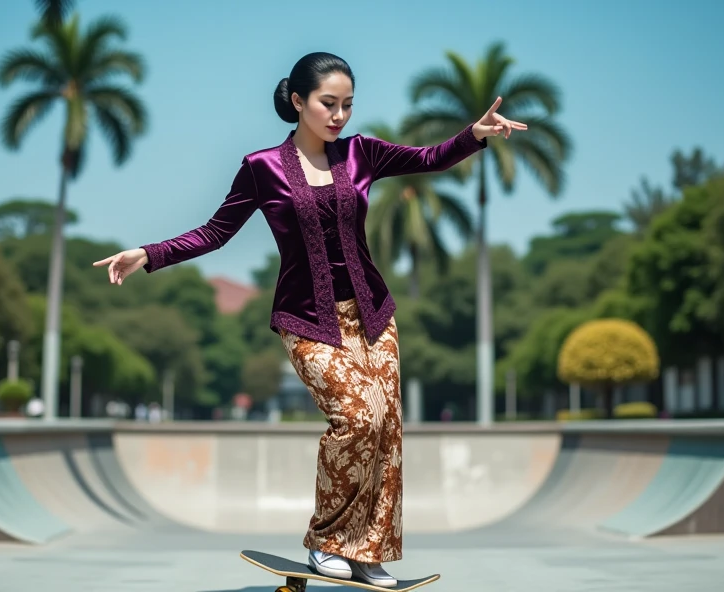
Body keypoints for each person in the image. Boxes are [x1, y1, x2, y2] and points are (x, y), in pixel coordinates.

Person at [93, 52, 526, 587]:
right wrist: (149, 253)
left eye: (347, 104)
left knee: (387, 429)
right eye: (328, 103)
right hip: (306, 319)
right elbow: (214, 232)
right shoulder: (261, 168)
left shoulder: (362, 153)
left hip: (373, 315)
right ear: (298, 102)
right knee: (357, 417)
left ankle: (367, 551)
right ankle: (327, 543)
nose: (339, 114)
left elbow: (430, 157)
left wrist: (474, 135)